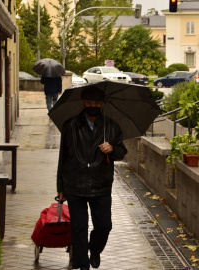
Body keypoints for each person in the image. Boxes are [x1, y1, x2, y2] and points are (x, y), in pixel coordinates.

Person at [56, 86, 127, 270]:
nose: (92, 106)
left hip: (101, 185)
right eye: (89, 103)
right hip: (75, 184)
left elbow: (122, 152)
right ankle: (82, 264)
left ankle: (94, 249)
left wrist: (111, 149)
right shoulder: (70, 125)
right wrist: (60, 185)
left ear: (103, 104)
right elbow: (63, 156)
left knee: (104, 225)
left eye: (96, 103)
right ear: (83, 103)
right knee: (78, 228)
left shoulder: (111, 127)